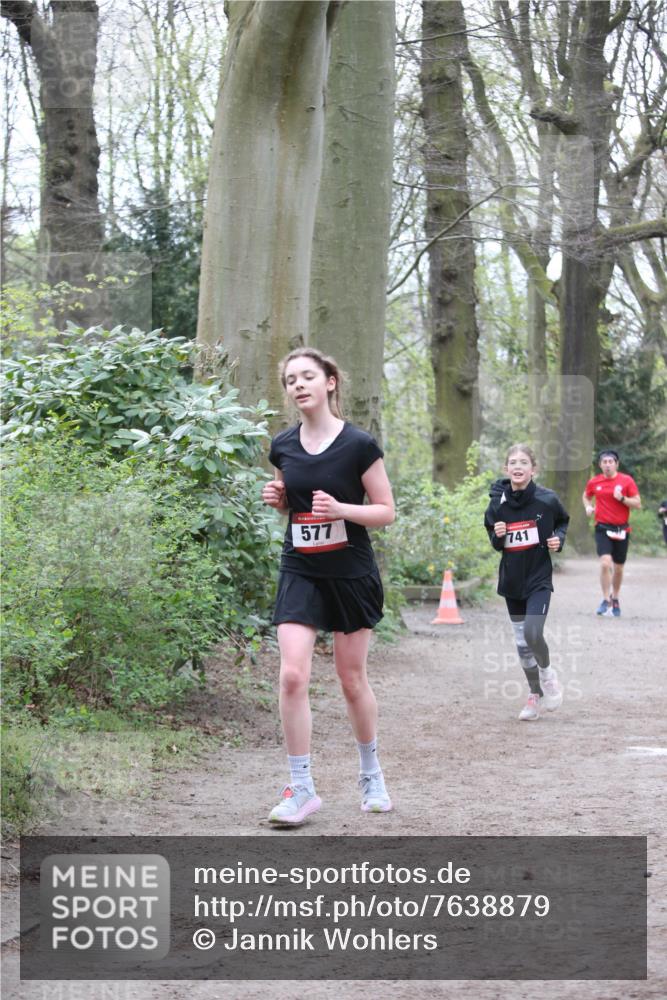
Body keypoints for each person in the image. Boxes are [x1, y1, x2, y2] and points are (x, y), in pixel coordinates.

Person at [261, 347, 395, 826]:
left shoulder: (359, 445)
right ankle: (300, 788)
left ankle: (371, 774)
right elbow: (290, 501)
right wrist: (278, 498)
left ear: (330, 382)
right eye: (290, 379)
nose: (299, 385)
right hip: (300, 568)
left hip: (351, 573)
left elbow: (385, 510)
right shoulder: (283, 446)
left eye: (308, 376)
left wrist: (344, 510)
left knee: (350, 678)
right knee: (292, 675)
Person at [484, 444, 569, 722]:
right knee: (522, 645)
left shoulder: (547, 500)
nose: (518, 466)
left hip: (538, 579)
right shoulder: (498, 503)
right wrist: (498, 535)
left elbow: (562, 522)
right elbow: (497, 543)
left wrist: (558, 539)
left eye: (523, 462)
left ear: (534, 469)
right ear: (506, 469)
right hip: (512, 581)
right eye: (512, 462)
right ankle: (534, 696)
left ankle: (547, 674)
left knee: (533, 632)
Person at [582, 449, 641, 617]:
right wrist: (588, 506)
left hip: (622, 529)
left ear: (616, 464)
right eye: (604, 462)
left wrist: (622, 498)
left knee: (619, 568)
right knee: (605, 563)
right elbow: (586, 496)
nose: (607, 465)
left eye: (610, 462)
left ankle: (615, 598)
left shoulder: (626, 481)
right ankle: (605, 598)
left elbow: (637, 503)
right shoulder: (594, 482)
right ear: (600, 465)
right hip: (602, 527)